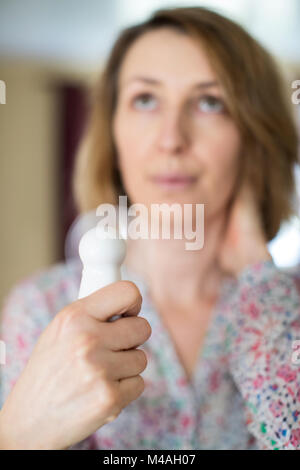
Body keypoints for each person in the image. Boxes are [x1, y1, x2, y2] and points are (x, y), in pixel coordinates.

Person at [0, 6, 300, 450]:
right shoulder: (42, 307)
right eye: (145, 99)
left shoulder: (288, 309)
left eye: (209, 101)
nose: (171, 138)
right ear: (113, 131)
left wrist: (260, 277)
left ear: (253, 136)